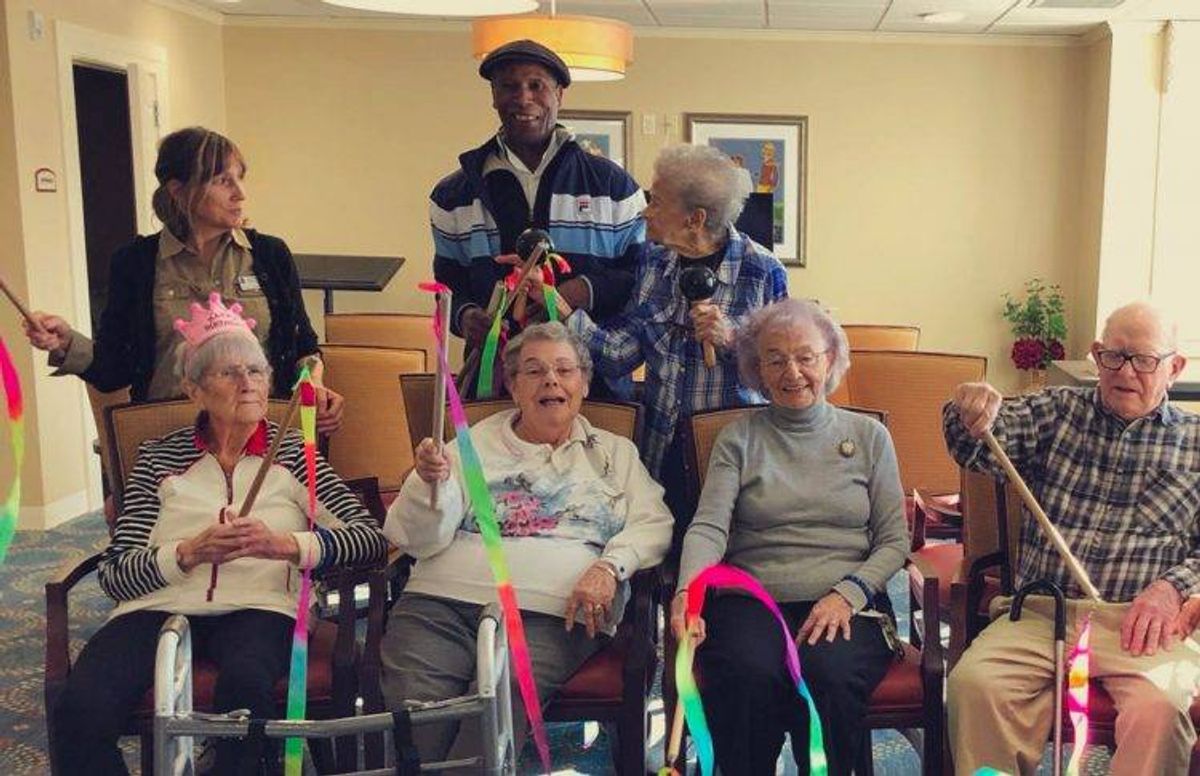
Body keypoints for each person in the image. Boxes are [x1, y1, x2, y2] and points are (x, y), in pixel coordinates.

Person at [49, 294, 388, 775]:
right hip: (157, 606)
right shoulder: (158, 459)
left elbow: (368, 537)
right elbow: (116, 574)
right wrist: (185, 554)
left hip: (261, 607)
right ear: (195, 390)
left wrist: (287, 546)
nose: (247, 383)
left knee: (245, 692)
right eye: (228, 373)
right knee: (80, 708)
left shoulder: (294, 454)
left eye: (256, 371)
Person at [380, 322, 672, 767]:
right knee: (416, 711)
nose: (551, 380)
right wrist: (427, 485)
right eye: (534, 372)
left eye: (564, 370)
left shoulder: (615, 452)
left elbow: (654, 523)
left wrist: (609, 568)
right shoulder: (470, 445)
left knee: (501, 700)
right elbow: (417, 538)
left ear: (584, 383)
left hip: (554, 613)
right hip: (440, 604)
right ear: (513, 386)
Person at [944, 301, 1200, 775]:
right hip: (1043, 610)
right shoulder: (1057, 411)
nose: (1126, 371)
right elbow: (974, 446)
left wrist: (1173, 588)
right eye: (1114, 357)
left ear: (1174, 367)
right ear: (1096, 355)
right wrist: (969, 410)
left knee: (1162, 709)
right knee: (973, 687)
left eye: (1144, 360)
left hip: (1141, 624)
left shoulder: (1196, 441)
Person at [669, 298, 908, 776]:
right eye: (774, 359)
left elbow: (894, 540)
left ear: (831, 360)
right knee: (746, 674)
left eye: (806, 357)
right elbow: (710, 525)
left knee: (828, 674)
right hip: (751, 598)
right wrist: (686, 593)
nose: (791, 371)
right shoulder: (738, 439)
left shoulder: (868, 437)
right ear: (757, 369)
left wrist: (848, 594)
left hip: (847, 599)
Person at [23, 126, 343, 433]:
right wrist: (67, 343)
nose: (240, 193)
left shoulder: (270, 255)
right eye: (222, 180)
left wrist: (313, 385)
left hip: (263, 434)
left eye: (240, 178)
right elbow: (113, 370)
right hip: (167, 438)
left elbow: (305, 350)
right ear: (179, 190)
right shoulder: (134, 263)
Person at [564, 144, 788, 521]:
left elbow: (781, 378)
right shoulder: (653, 264)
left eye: (657, 202)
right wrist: (564, 311)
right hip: (660, 450)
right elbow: (619, 356)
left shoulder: (763, 271)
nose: (645, 210)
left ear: (694, 219)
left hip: (731, 456)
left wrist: (732, 340)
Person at [429, 39, 645, 395]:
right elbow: (447, 280)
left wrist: (579, 292)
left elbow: (637, 277)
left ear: (560, 94)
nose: (523, 98)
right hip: (496, 381)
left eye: (536, 85)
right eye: (509, 87)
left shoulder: (614, 187)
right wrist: (466, 316)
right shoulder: (453, 194)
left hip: (593, 384)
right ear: (493, 97)